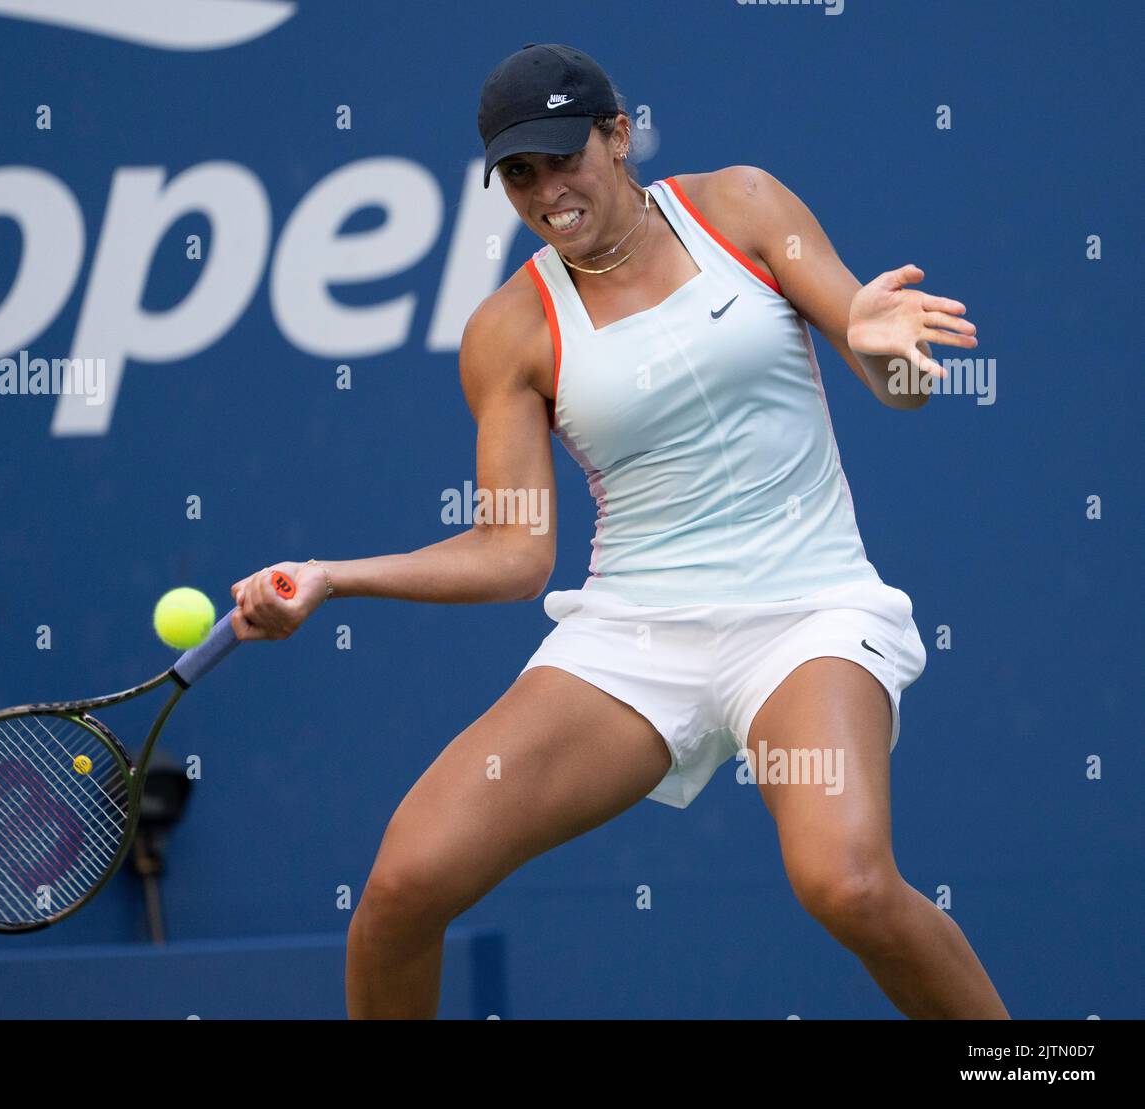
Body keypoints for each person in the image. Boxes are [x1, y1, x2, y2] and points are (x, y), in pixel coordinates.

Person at [228, 42, 1008, 1019]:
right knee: (399, 889)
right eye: (520, 172)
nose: (548, 188)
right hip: (632, 637)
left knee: (845, 881)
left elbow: (888, 376)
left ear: (618, 133)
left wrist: (887, 349)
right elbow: (513, 552)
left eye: (565, 155)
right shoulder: (508, 329)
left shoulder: (743, 207)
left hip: (806, 612)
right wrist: (333, 575)